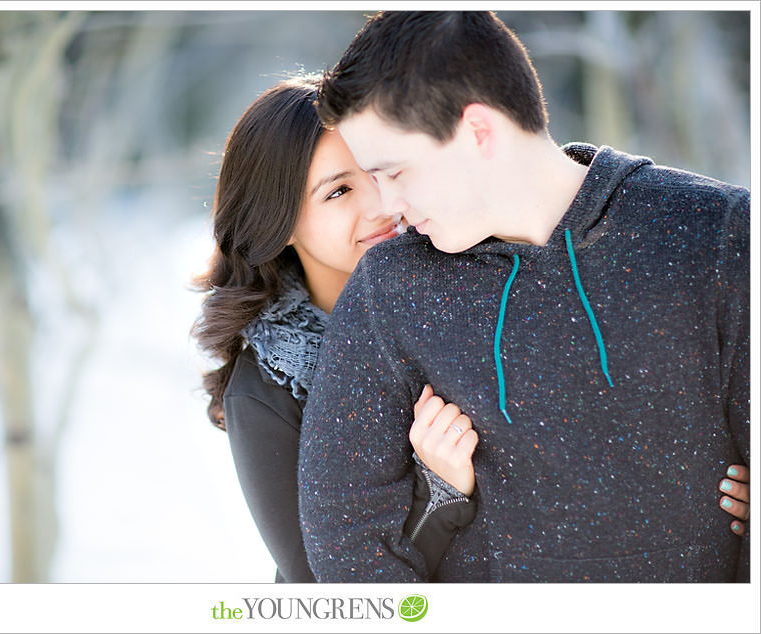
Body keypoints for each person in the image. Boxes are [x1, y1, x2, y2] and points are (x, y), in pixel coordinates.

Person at [299, 11, 750, 582]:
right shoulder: (391, 285)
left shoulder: (715, 234)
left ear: (478, 131)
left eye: (394, 172)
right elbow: (347, 534)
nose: (386, 206)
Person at [192, 76, 479, 582]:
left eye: (379, 171)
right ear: (278, 223)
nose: (383, 204)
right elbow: (325, 590)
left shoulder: (471, 284)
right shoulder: (264, 392)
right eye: (340, 190)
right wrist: (439, 491)